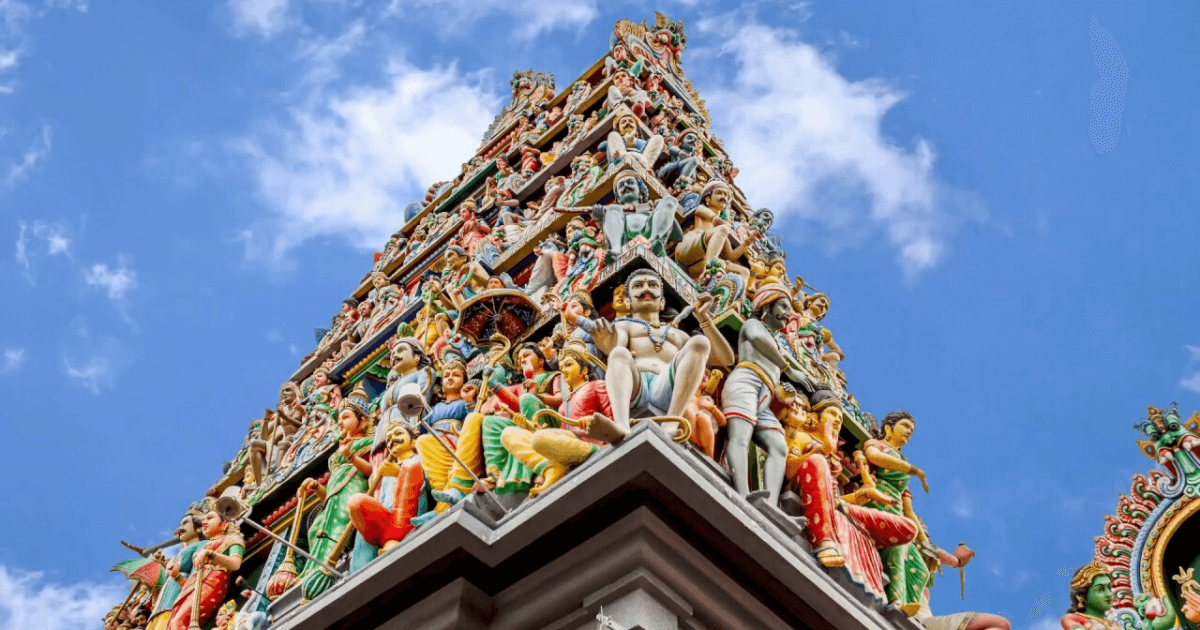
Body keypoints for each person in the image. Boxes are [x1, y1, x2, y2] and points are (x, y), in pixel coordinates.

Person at [588, 269, 735, 442]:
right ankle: (621, 424)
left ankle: (672, 421)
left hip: (666, 388)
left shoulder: (677, 335)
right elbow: (617, 347)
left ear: (662, 302)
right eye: (638, 286)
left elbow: (727, 359)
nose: (646, 289)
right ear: (627, 301)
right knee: (619, 353)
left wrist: (704, 318)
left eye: (652, 285)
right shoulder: (624, 325)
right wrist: (609, 345)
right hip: (637, 387)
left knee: (700, 343)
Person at [723, 283, 816, 505]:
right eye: (782, 306)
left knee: (779, 446)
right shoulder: (754, 325)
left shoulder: (776, 342)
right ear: (766, 306)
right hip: (746, 382)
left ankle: (770, 504)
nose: (788, 314)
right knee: (741, 437)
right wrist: (788, 370)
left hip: (764, 396)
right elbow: (758, 340)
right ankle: (742, 491)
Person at [297, 388, 375, 600]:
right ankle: (312, 572)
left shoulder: (367, 443)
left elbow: (371, 471)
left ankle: (330, 567)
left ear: (363, 422)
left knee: (341, 522)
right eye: (339, 418)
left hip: (354, 490)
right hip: (334, 499)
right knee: (317, 529)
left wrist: (351, 456)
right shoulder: (335, 456)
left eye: (346, 417)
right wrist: (316, 487)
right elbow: (329, 495)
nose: (340, 422)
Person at [164, 510, 244, 630]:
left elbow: (235, 564)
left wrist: (211, 554)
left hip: (213, 583)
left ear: (224, 524)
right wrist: (176, 576)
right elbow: (192, 584)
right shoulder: (202, 548)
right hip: (194, 587)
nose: (204, 522)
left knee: (179, 622)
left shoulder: (232, 539)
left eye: (210, 518)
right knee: (171, 624)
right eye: (203, 520)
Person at [592, 172, 681, 260]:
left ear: (640, 190)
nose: (626, 186)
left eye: (630, 183)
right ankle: (616, 249)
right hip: (625, 245)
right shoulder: (616, 216)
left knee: (669, 200)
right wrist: (599, 219)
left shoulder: (652, 213)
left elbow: (678, 237)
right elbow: (605, 237)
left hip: (652, 241)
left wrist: (666, 211)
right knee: (612, 209)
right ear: (618, 197)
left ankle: (653, 240)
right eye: (621, 186)